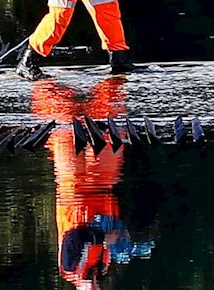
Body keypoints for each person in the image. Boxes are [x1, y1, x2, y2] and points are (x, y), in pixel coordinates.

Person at [32, 77, 154, 289]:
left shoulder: (71, 268)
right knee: (109, 126)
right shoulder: (104, 267)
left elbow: (73, 238)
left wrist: (104, 238)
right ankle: (113, 78)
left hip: (73, 188)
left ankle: (45, 80)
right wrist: (125, 239)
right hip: (104, 185)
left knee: (63, 127)